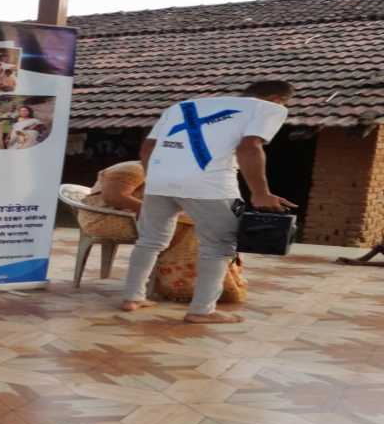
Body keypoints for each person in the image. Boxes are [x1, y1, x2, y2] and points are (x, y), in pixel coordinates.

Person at [122, 80, 296, 324]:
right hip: (211, 185)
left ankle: (132, 297)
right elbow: (249, 147)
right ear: (278, 99)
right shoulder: (268, 108)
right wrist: (260, 193)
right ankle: (202, 311)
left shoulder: (181, 106)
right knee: (218, 246)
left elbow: (147, 148)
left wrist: (157, 179)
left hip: (159, 182)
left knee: (149, 241)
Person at [78, 161, 246, 303]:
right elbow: (113, 197)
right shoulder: (133, 169)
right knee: (193, 228)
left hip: (134, 216)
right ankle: (182, 285)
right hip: (107, 218)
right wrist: (159, 213)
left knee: (205, 223)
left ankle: (204, 284)